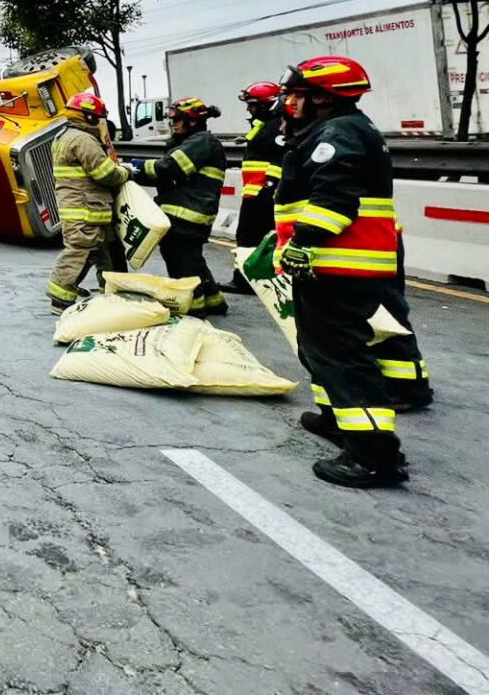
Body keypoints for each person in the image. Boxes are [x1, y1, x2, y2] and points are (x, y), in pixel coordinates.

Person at [276, 56, 418, 488]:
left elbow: (334, 199)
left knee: (342, 355)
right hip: (336, 263)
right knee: (320, 349)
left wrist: (303, 243)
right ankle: (337, 419)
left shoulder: (338, 134)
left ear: (322, 96)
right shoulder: (340, 129)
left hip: (338, 264)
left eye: (296, 94)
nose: (289, 102)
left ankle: (374, 455)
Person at [138, 98, 227, 316]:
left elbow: (171, 168)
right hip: (186, 214)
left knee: (182, 264)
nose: (173, 124)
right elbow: (165, 177)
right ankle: (214, 301)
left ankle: (192, 309)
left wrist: (137, 166)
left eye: (177, 120)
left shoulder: (202, 142)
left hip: (188, 216)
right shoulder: (190, 142)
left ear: (193, 121)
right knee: (193, 261)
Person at [47, 93, 131, 310]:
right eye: (98, 117)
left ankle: (112, 297)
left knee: (104, 255)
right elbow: (105, 173)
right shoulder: (83, 140)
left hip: (84, 209)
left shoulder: (64, 136)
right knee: (79, 252)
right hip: (86, 210)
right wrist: (125, 173)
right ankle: (60, 300)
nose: (100, 122)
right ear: (88, 117)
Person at [222, 80, 285, 294]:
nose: (249, 109)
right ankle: (254, 279)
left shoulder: (275, 127)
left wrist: (267, 190)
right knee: (253, 238)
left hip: (260, 194)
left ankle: (245, 281)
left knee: (249, 238)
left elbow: (278, 161)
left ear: (266, 105)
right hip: (255, 192)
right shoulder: (265, 125)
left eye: (252, 104)